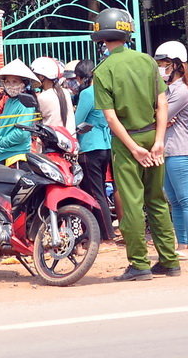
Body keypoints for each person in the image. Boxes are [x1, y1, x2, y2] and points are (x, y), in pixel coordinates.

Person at [91, 8, 178, 281]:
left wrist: (133, 148)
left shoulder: (103, 71)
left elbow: (110, 117)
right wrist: (159, 141)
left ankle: (139, 263)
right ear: (127, 32)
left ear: (102, 37)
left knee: (131, 204)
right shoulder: (148, 62)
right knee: (157, 201)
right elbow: (161, 103)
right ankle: (169, 260)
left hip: (127, 142)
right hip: (153, 136)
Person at [154, 41, 188, 260]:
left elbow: (159, 116)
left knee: (185, 198)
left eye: (164, 64)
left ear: (176, 65)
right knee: (174, 200)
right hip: (168, 150)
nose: (160, 68)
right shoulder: (168, 90)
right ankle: (181, 244)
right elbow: (162, 118)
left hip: (180, 149)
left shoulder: (181, 91)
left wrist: (161, 116)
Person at [73, 59, 114, 241]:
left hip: (90, 146)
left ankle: (104, 234)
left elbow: (77, 121)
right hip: (105, 144)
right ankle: (104, 232)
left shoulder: (88, 94)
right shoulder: (106, 92)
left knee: (94, 193)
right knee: (101, 192)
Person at [0, 60, 40, 164]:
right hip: (3, 154)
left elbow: (22, 133)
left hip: (15, 156)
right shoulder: (9, 101)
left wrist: (0, 143)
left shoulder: (26, 103)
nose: (10, 85)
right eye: (7, 82)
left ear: (24, 84)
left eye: (15, 81)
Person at [31, 56, 76, 136]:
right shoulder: (65, 92)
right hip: (69, 139)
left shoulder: (43, 97)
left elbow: (34, 120)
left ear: (42, 77)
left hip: (52, 141)